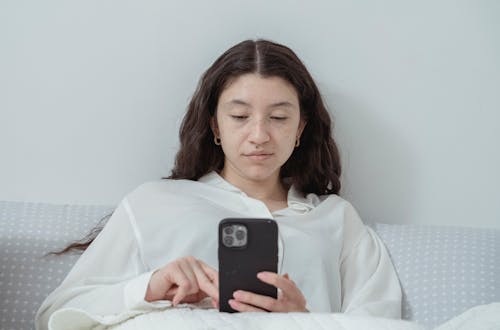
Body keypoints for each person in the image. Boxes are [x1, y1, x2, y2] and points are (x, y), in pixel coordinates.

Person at [35, 39, 402, 330]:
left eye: (278, 117)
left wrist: (304, 320)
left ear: (300, 130)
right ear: (215, 126)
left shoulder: (338, 220)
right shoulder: (154, 203)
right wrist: (150, 287)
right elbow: (57, 316)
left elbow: (381, 322)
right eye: (240, 116)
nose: (259, 135)